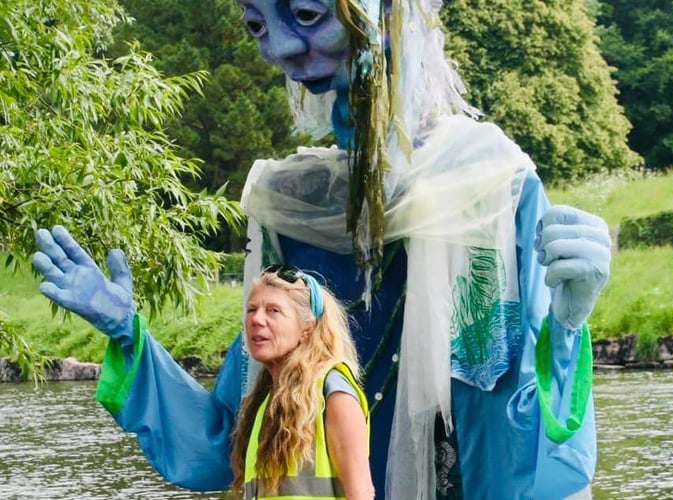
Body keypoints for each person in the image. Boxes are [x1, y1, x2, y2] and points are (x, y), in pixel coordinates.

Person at [31, 0, 612, 497]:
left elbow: (524, 454)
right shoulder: (296, 208)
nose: (279, 49)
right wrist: (127, 333)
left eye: (306, 14)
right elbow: (231, 441)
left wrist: (566, 324)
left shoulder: (490, 188)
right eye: (257, 25)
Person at [230, 265, 373, 499]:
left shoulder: (334, 393)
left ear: (307, 328)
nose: (257, 319)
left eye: (273, 311)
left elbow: (361, 493)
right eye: (252, 310)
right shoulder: (262, 402)